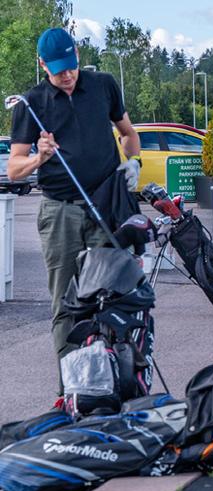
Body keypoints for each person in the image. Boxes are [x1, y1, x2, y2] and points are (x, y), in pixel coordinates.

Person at [7, 28, 141, 392]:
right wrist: (39, 157)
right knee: (66, 302)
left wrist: (134, 163)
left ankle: (114, 382)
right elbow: (13, 168)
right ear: (42, 64)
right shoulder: (30, 104)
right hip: (59, 212)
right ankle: (71, 389)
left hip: (105, 207)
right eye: (57, 69)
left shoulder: (103, 86)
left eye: (70, 66)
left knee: (113, 295)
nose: (66, 75)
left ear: (78, 54)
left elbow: (128, 133)